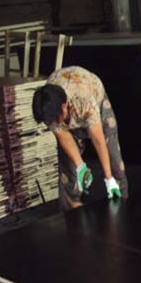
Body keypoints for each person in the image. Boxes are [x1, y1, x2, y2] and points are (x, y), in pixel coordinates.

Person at [32, 66, 128, 210]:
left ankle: (123, 201)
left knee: (112, 154)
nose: (52, 125)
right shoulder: (48, 109)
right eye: (49, 123)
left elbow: (98, 140)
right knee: (68, 165)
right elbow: (63, 136)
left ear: (64, 107)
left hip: (94, 96)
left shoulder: (84, 100)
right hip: (67, 105)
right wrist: (80, 166)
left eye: (55, 122)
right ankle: (71, 211)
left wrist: (109, 179)